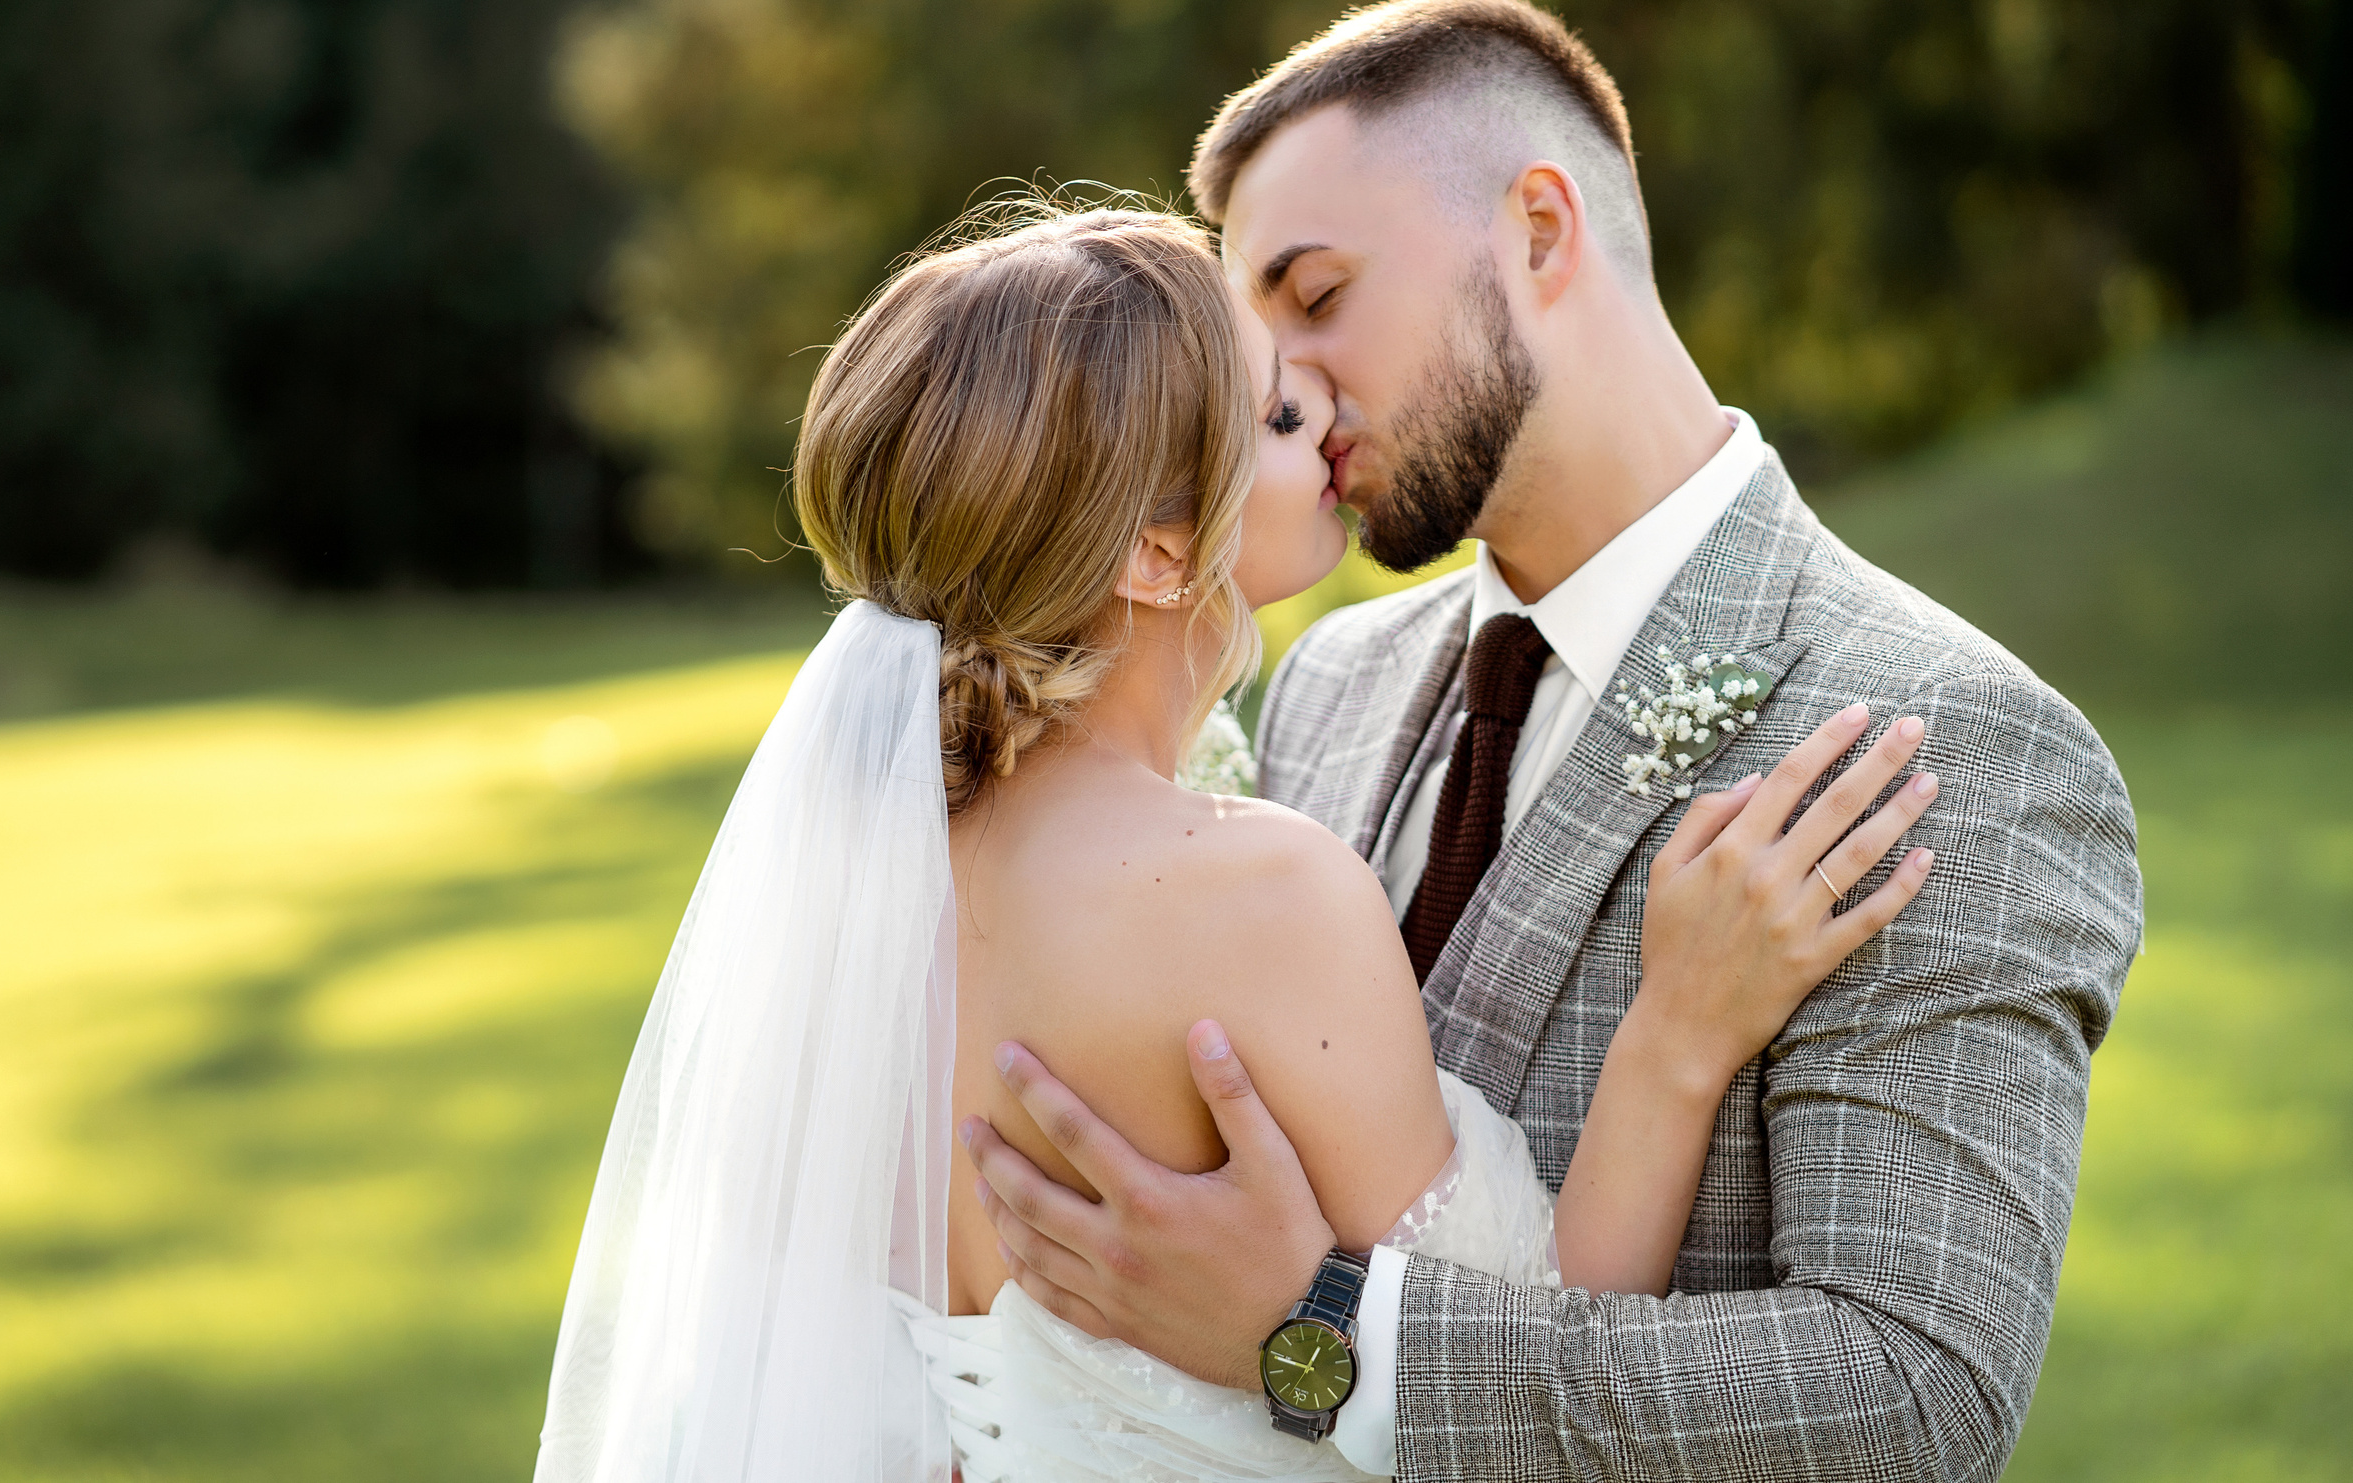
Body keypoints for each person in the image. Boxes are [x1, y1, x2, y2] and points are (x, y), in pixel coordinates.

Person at [532, 199, 1947, 1482]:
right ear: (1155, 554)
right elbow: (1540, 1344)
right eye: (1276, 419)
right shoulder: (1257, 891)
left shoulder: (856, 896)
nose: (1328, 416)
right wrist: (1683, 1031)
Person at [960, 0, 2146, 1481]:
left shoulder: (1946, 746)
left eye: (1317, 299)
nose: (1295, 394)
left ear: (1538, 227)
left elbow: (1908, 1401)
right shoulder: (1322, 682)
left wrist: (1314, 1337)